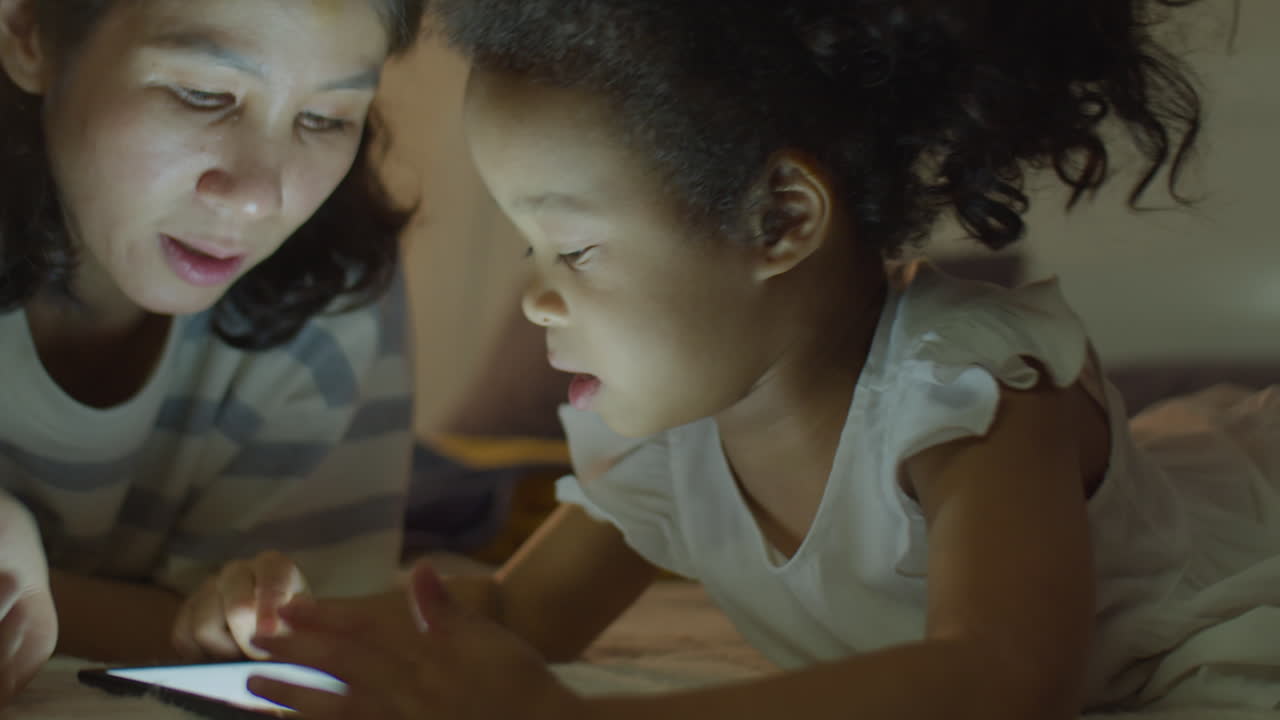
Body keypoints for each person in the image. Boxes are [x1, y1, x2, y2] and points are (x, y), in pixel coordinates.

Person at [251, 0, 1277, 717]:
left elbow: (1004, 682)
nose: (532, 296)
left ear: (778, 220)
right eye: (527, 247)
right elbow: (519, 614)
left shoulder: (966, 389)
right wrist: (308, 637)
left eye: (573, 248)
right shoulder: (667, 437)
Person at [0, 0, 426, 696]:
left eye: (325, 119)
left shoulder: (330, 281)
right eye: (202, 96)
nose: (259, 197)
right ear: (27, 31)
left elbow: (313, 636)